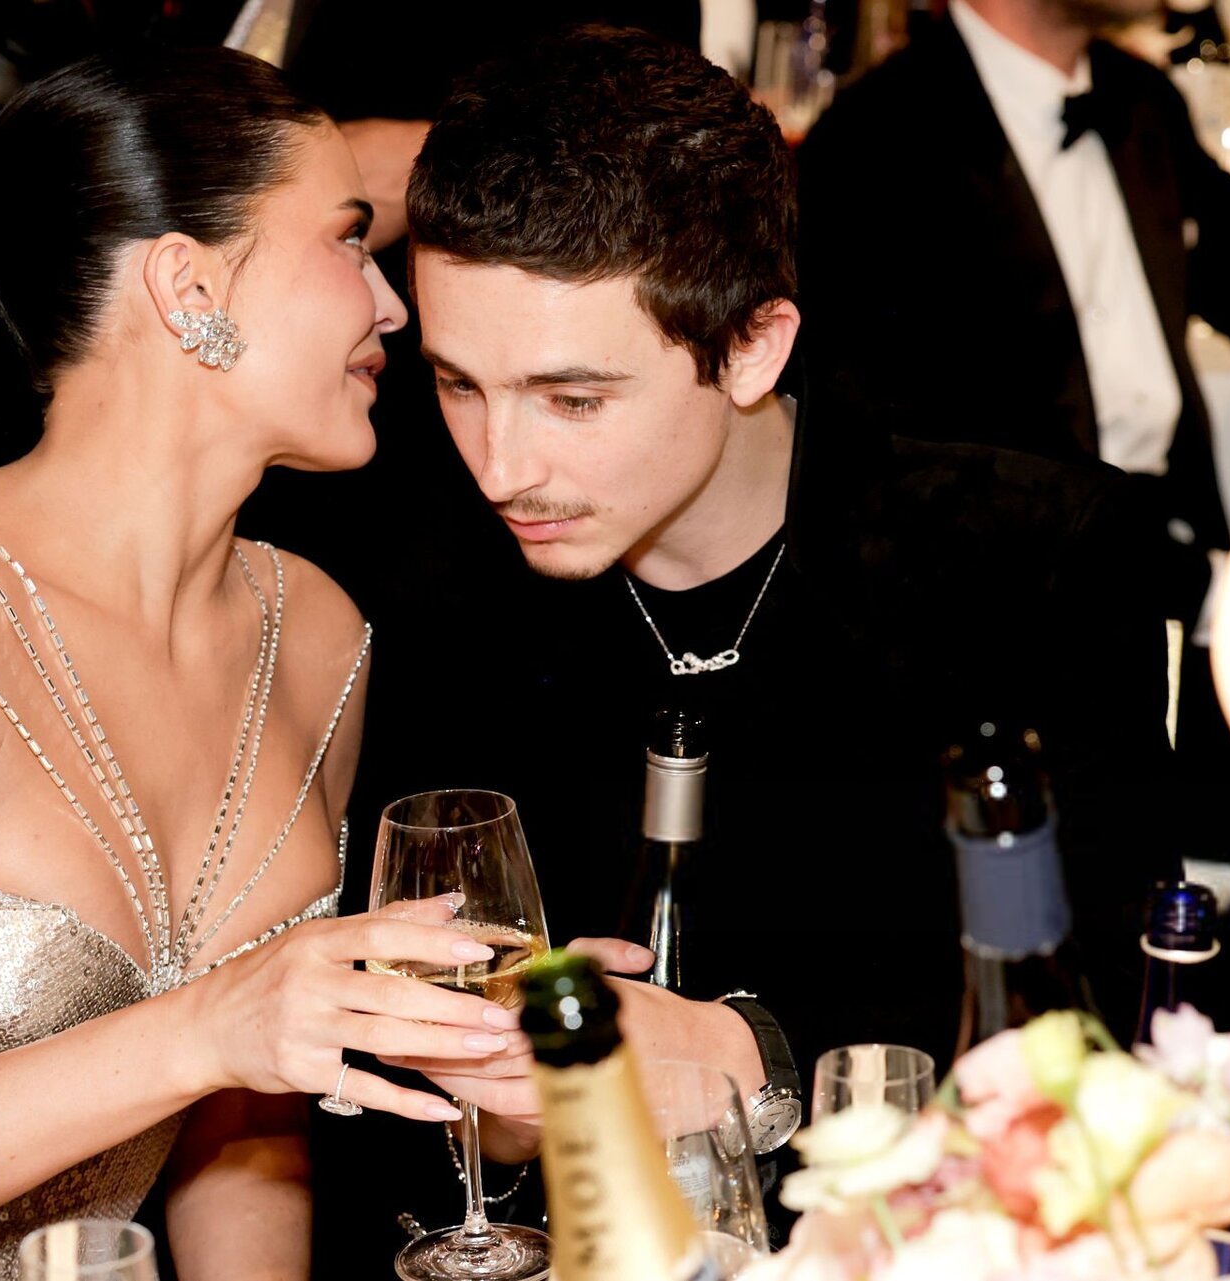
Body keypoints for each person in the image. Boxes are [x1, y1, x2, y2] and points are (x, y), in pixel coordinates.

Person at [326, 23, 1179, 1242]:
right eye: (459, 384)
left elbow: (1114, 1023)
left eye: (573, 399)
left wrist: (749, 1056)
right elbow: (383, 1102)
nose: (502, 467)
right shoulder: (432, 594)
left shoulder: (1028, 560)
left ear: (751, 347)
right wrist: (497, 1125)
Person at [0, 46, 521, 1281]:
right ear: (189, 285)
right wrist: (209, 1029)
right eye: (350, 241)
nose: (390, 306)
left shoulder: (317, 634)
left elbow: (244, 1131)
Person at [795, 0, 1230, 630]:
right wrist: (1219, 592)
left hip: (1176, 574)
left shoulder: (1137, 98)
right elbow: (901, 468)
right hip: (1006, 618)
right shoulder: (870, 145)